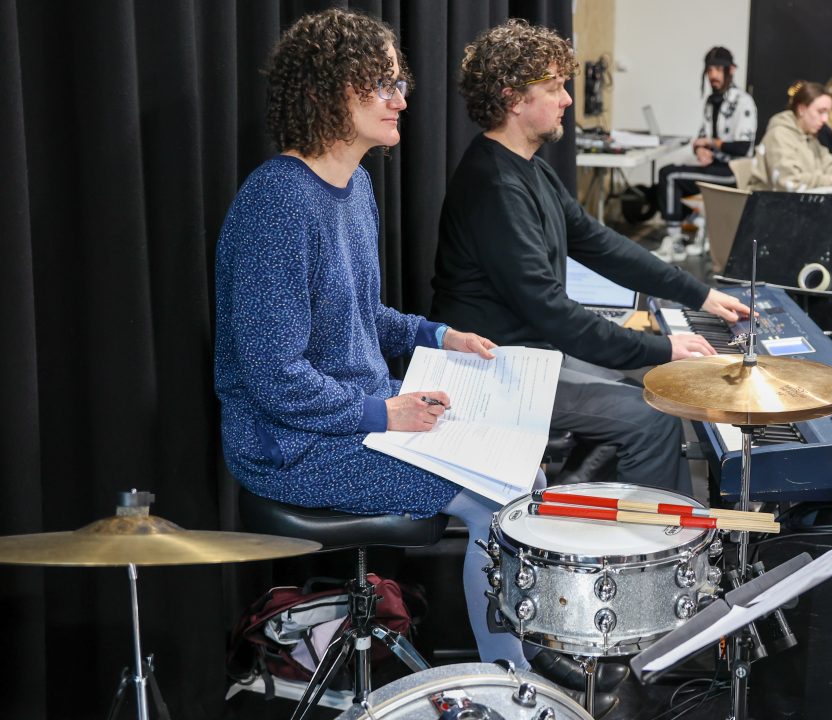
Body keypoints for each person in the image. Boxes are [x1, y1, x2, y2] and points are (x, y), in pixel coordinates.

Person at [213, 8, 544, 679]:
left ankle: (516, 668)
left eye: (400, 82)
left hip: (358, 421)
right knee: (502, 498)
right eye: (380, 84)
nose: (401, 98)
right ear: (325, 92)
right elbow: (276, 377)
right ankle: (512, 683)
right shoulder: (275, 205)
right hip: (292, 446)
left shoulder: (355, 185)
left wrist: (437, 334)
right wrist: (381, 413)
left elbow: (361, 315)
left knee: (523, 471)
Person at [433, 20, 750, 500]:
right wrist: (662, 347)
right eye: (554, 87)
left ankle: (579, 505)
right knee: (652, 416)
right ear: (514, 99)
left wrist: (699, 293)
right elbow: (551, 312)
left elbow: (599, 243)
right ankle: (659, 555)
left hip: (527, 358)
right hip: (497, 374)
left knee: (649, 377)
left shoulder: (528, 168)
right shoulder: (495, 185)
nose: (566, 100)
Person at [652, 46, 757, 262]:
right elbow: (701, 136)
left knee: (670, 175)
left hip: (733, 171)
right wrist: (700, 149)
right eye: (710, 70)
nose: (713, 75)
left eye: (718, 69)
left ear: (731, 70)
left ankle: (675, 238)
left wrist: (711, 144)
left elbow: (743, 147)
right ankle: (691, 229)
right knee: (670, 171)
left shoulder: (743, 102)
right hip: (714, 166)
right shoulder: (711, 102)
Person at [747, 80, 832, 192]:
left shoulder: (810, 137)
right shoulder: (779, 135)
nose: (825, 119)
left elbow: (829, 166)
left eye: (827, 112)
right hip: (768, 209)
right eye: (820, 112)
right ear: (802, 109)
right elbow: (789, 182)